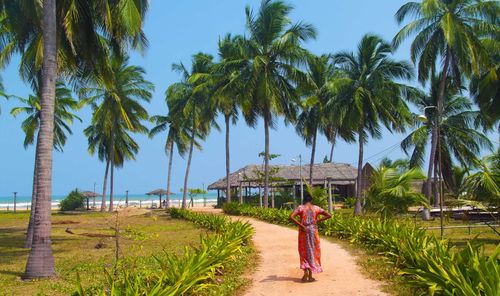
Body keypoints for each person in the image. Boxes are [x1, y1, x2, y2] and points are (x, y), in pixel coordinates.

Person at [289, 193, 332, 282]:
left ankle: (306, 271)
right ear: (311, 200)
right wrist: (317, 220)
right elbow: (329, 215)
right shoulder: (316, 208)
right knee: (313, 250)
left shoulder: (300, 208)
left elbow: (291, 217)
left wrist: (301, 225)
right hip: (313, 231)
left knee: (303, 250)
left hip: (303, 231)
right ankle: (311, 275)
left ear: (304, 200)